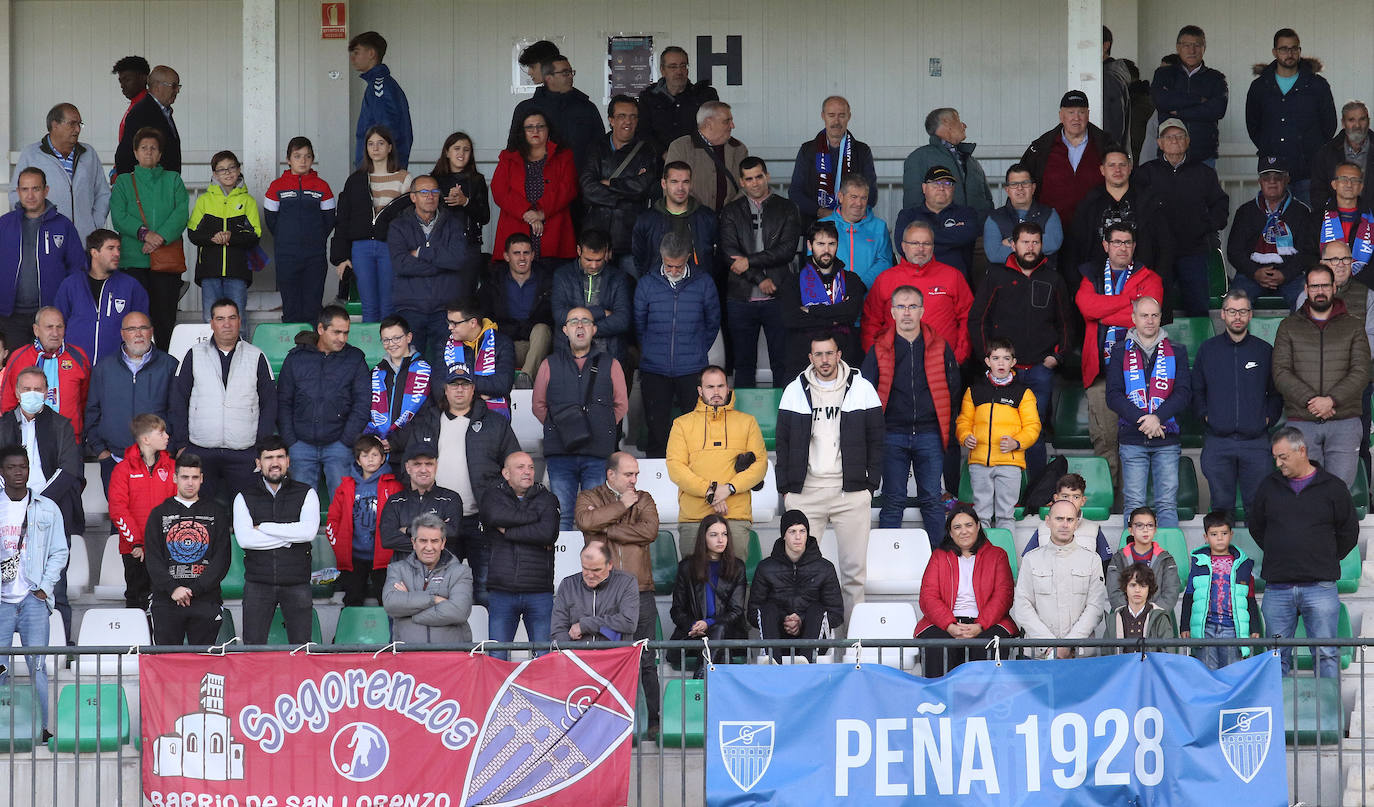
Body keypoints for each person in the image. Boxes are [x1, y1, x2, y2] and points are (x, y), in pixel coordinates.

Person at [776, 332, 884, 619]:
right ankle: (810, 645)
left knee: (854, 574)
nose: (824, 360)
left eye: (829, 353)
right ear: (810, 358)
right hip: (806, 493)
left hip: (850, 492)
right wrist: (786, 488)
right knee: (800, 571)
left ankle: (853, 644)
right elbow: (782, 442)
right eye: (818, 354)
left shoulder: (862, 388)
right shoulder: (794, 390)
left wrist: (869, 484)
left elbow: (876, 439)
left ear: (839, 355)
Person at [392, 365, 519, 604]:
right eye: (454, 385)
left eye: (465, 385)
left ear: (473, 389)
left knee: (485, 588)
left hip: (481, 518)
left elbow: (513, 466)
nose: (459, 390)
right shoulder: (425, 422)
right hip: (437, 521)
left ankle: (484, 643)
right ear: (445, 390)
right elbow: (406, 467)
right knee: (438, 590)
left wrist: (498, 507)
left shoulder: (495, 423)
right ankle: (446, 642)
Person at [1250, 426, 1358, 678]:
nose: (1278, 464)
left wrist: (1323, 557)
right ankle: (1280, 716)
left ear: (1302, 451)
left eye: (1283, 457)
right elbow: (1257, 527)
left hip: (1319, 585)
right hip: (1277, 587)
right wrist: (1282, 551)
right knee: (1275, 656)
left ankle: (1327, 717)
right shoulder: (1269, 486)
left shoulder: (1333, 487)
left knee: (1327, 654)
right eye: (1275, 458)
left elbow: (1349, 532)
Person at [968, 222, 1070, 476]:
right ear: (1013, 245)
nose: (1031, 247)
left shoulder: (1053, 278)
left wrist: (1057, 356)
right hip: (1001, 372)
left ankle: (1035, 491)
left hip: (1038, 370)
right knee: (998, 431)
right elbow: (977, 319)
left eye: (1035, 242)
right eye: (1025, 242)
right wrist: (988, 357)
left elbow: (1067, 323)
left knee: (1033, 432)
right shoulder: (996, 276)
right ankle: (1003, 494)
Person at [860, 286, 958, 534]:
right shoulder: (879, 348)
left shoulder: (939, 345)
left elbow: (953, 386)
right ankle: (887, 563)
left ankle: (942, 563)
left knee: (932, 500)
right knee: (893, 500)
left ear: (922, 311)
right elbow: (866, 393)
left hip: (929, 433)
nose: (907, 312)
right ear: (892, 312)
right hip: (891, 433)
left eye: (912, 306)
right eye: (901, 307)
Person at [1076, 221, 1165, 489]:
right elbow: (1087, 308)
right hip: (1101, 373)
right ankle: (1108, 510)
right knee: (1105, 442)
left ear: (1134, 246)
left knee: (1134, 446)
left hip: (1139, 376)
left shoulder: (1150, 278)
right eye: (1116, 242)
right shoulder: (1090, 275)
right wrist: (1129, 302)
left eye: (1127, 242)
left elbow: (1145, 318)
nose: (1122, 247)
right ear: (1105, 245)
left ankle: (1130, 513)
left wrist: (1107, 313)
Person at [574, 452, 660, 725]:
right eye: (628, 474)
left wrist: (608, 530)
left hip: (640, 589)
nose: (634, 480)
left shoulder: (644, 498)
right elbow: (586, 523)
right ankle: (608, 722)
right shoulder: (588, 497)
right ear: (611, 475)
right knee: (606, 658)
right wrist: (622, 506)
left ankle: (653, 721)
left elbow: (649, 531)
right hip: (603, 591)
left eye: (636, 474)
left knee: (646, 658)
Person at [167, 299, 276, 506]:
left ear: (239, 321)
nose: (227, 324)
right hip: (201, 449)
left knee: (247, 514)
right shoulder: (194, 354)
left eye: (232, 318)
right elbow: (178, 400)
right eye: (220, 319)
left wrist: (261, 447)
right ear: (212, 323)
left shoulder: (256, 356)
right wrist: (181, 443)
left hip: (244, 452)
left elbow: (270, 404)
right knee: (200, 515)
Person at [1271, 263, 1370, 486]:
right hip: (1302, 420)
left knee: (1340, 490)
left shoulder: (1354, 326)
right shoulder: (1288, 326)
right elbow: (1280, 372)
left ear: (1334, 287)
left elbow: (1362, 370)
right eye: (1314, 286)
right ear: (1306, 289)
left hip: (1344, 420)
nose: (1320, 291)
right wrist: (1312, 401)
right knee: (1305, 492)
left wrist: (1331, 401)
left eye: (1325, 285)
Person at [534, 307, 628, 528]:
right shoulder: (549, 363)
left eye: (585, 321)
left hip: (597, 454)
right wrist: (563, 429)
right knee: (563, 517)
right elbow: (539, 405)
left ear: (594, 329)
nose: (579, 325)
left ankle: (594, 563)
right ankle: (566, 564)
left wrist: (600, 426)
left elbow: (621, 405)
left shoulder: (611, 364)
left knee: (595, 518)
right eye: (573, 321)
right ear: (565, 330)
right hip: (560, 454)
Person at [1193, 289, 1283, 519]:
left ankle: (1260, 555)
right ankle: (1223, 556)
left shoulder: (1264, 350)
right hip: (1217, 441)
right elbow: (1197, 390)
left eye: (1243, 311)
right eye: (1232, 311)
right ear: (1222, 314)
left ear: (1250, 315)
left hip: (1256, 442)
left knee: (1259, 508)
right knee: (1221, 509)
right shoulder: (1208, 350)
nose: (1237, 317)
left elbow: (1276, 393)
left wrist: (1267, 418)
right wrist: (1206, 416)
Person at [0, 444, 68, 744]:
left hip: (32, 600)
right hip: (1, 600)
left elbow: (59, 552)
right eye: (12, 467)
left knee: (38, 666)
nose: (19, 472)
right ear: (2, 472)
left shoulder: (47, 507)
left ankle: (42, 729)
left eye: (23, 467)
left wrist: (44, 588)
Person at [1106, 296, 1192, 526]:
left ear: (1160, 318)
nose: (1150, 320)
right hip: (1133, 438)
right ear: (1134, 318)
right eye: (1144, 315)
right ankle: (1131, 562)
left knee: (1166, 504)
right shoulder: (1119, 351)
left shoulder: (1177, 350)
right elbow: (1113, 395)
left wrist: (1157, 418)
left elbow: (1183, 393)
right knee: (1133, 504)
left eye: (1154, 315)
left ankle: (1167, 560)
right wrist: (1144, 420)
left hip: (1167, 437)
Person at [1131, 118, 1230, 317]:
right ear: (1159, 143)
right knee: (1156, 308)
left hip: (1193, 250)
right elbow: (1136, 210)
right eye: (1168, 137)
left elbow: (1221, 206)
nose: (1174, 141)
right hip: (1157, 253)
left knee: (1198, 308)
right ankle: (1160, 349)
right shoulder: (1146, 173)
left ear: (1187, 141)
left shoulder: (1204, 173)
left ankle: (1198, 348)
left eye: (1179, 136)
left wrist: (1205, 225)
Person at [634, 232, 721, 458]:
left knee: (695, 431)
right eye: (669, 265)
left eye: (678, 266)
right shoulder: (647, 283)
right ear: (661, 257)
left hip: (692, 368)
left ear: (688, 258)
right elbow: (639, 324)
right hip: (654, 368)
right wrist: (651, 350)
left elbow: (712, 322)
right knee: (657, 431)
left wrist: (698, 349)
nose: (673, 271)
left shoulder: (704, 282)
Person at [717, 156, 802, 387]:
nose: (755, 183)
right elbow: (729, 253)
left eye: (759, 177)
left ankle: (784, 420)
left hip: (778, 296)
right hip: (740, 298)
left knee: (782, 363)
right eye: (749, 179)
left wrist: (750, 262)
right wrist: (760, 278)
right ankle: (743, 422)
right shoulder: (731, 211)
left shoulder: (787, 207)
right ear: (741, 182)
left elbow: (786, 250)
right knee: (743, 365)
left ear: (767, 177)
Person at [666, 366, 767, 556]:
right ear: (700, 390)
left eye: (720, 386)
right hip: (694, 516)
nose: (716, 392)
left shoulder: (747, 422)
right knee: (694, 581)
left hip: (735, 514)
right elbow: (675, 468)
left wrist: (728, 488)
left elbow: (760, 465)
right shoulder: (682, 424)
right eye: (710, 387)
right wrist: (711, 491)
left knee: (733, 580)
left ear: (728, 388)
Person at [277, 305, 371, 499]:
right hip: (300, 445)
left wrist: (347, 440)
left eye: (346, 333)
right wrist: (291, 441)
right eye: (337, 332)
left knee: (343, 507)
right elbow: (283, 401)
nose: (342, 339)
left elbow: (362, 403)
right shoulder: (296, 358)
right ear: (321, 329)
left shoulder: (354, 358)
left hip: (339, 444)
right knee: (300, 507)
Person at [233, 437, 321, 645]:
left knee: (301, 648)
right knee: (253, 647)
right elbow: (245, 540)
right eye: (268, 457)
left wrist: (263, 527)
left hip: (297, 582)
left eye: (280, 457)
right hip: (257, 583)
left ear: (288, 461)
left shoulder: (306, 493)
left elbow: (308, 533)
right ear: (258, 463)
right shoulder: (244, 496)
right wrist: (290, 537)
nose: (275, 462)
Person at [913, 504, 1016, 677]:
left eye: (969, 525)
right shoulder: (939, 556)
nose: (964, 531)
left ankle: (983, 703)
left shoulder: (997, 555)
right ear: (950, 532)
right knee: (939, 648)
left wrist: (980, 625)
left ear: (978, 526)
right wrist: (949, 625)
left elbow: (1003, 596)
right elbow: (928, 596)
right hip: (946, 622)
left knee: (987, 646)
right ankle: (940, 701)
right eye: (957, 527)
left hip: (986, 622)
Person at [109, 127, 188, 349]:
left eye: (154, 148)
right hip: (133, 261)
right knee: (135, 318)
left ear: (160, 154)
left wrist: (159, 237)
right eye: (144, 148)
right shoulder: (124, 182)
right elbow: (119, 216)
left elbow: (181, 212)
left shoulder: (173, 179)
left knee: (165, 318)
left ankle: (164, 362)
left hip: (165, 263)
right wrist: (146, 234)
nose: (149, 152)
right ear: (135, 153)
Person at [389, 174, 480, 363]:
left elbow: (457, 260)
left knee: (447, 366)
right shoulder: (398, 226)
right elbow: (401, 264)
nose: (430, 196)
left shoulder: (453, 224)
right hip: (410, 306)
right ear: (413, 197)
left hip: (445, 309)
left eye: (434, 192)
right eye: (424, 192)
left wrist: (422, 253)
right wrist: (441, 265)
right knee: (411, 367)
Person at [144, 452, 232, 646]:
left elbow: (222, 559)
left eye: (194, 477)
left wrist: (194, 590)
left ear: (202, 479)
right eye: (185, 477)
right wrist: (173, 588)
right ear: (175, 478)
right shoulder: (158, 514)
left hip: (205, 601)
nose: (190, 483)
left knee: (203, 665)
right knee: (167, 666)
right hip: (166, 601)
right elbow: (152, 559)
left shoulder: (216, 513)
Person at [480, 451, 559, 660]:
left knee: (544, 657)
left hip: (539, 591)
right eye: (521, 467)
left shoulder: (547, 498)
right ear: (506, 473)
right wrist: (533, 518)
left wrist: (509, 531)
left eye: (531, 467)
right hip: (502, 591)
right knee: (497, 656)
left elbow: (547, 533)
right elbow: (495, 516)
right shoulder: (492, 496)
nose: (528, 472)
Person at [84, 311, 175, 491]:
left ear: (152, 331)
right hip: (115, 461)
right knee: (119, 518)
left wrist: (170, 451)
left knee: (157, 518)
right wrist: (102, 452)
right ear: (122, 334)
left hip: (158, 461)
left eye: (143, 328)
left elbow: (177, 412)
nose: (138, 334)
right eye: (132, 329)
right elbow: (92, 411)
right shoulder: (104, 368)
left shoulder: (170, 365)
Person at [956, 337, 1041, 527]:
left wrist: (1017, 442)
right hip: (979, 462)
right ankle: (983, 555)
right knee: (981, 515)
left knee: (1005, 515)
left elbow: (1033, 426)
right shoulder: (974, 390)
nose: (1000, 363)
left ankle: (1006, 555)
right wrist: (964, 436)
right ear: (987, 361)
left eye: (1006, 358)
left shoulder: (1023, 392)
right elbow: (963, 420)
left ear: (1013, 362)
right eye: (995, 358)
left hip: (1009, 462)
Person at [331, 125, 412, 323]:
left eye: (381, 143)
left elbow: (410, 219)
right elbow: (343, 219)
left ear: (390, 147)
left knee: (389, 305)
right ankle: (371, 353)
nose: (375, 148)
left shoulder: (404, 178)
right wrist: (341, 257)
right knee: (368, 306)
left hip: (390, 247)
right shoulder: (356, 180)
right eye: (370, 144)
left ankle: (390, 351)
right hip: (361, 248)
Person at [1245, 28, 1335, 205]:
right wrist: (1269, 145)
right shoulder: (1260, 86)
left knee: (1310, 227)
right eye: (1284, 49)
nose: (1289, 53)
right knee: (1275, 228)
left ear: (1300, 51)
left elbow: (1329, 125)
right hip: (1272, 172)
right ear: (1275, 52)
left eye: (1294, 48)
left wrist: (1310, 150)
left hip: (1308, 171)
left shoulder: (1317, 85)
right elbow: (1253, 126)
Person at [861, 221, 973, 362]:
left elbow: (968, 317)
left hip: (942, 363)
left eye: (926, 244)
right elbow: (871, 322)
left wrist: (959, 356)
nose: (921, 249)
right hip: (894, 366)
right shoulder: (885, 278)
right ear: (903, 246)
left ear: (933, 247)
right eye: (914, 243)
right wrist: (877, 358)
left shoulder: (952, 276)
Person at [0, 168, 85, 351]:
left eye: (36, 189)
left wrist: (67, 308)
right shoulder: (4, 225)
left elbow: (77, 269)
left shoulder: (63, 226)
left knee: (51, 371)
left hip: (51, 317)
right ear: (18, 191)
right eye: (25, 189)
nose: (30, 195)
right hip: (10, 317)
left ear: (46, 190)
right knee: (18, 371)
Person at [1011, 500, 1109, 659]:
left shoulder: (1092, 559)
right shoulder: (1031, 559)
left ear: (1076, 523)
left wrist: (1068, 644)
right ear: (1048, 521)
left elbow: (1095, 608)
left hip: (1080, 655)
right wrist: (1049, 645)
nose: (1065, 524)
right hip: (1038, 654)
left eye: (1070, 519)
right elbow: (1023, 606)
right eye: (1059, 519)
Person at [746, 510, 843, 662]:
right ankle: (773, 663)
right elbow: (753, 613)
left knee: (817, 609)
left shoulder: (825, 568)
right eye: (792, 531)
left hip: (814, 639)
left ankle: (805, 661)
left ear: (807, 534)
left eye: (802, 531)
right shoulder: (766, 567)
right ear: (784, 535)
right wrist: (785, 620)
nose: (798, 537)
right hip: (776, 637)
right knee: (768, 608)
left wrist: (801, 620)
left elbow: (836, 614)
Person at [580, 96, 659, 275]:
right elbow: (588, 189)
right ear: (611, 120)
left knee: (632, 292)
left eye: (633, 116)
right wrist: (626, 191)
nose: (628, 121)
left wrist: (609, 183)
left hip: (630, 238)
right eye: (622, 116)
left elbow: (642, 188)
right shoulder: (596, 148)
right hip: (596, 237)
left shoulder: (647, 149)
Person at [1226, 155, 1318, 308]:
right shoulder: (1245, 211)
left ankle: (1297, 333)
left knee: (1307, 303)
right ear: (1260, 181)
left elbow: (1308, 252)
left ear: (1287, 179)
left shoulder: (1301, 211)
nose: (1272, 182)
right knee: (1233, 304)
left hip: (1291, 276)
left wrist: (1285, 274)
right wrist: (1255, 272)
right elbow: (1234, 251)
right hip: (1250, 275)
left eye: (1278, 177)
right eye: (1266, 177)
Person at [779, 221, 867, 379]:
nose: (826, 250)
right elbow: (790, 318)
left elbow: (850, 313)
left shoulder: (851, 280)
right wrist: (834, 318)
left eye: (831, 244)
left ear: (837, 245)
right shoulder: (793, 281)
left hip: (844, 358)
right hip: (802, 360)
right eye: (820, 244)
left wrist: (811, 310)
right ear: (809, 245)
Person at [10, 103, 110, 240]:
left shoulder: (89, 154)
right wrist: (33, 226)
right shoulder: (32, 154)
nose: (77, 129)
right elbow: (15, 195)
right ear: (55, 125)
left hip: (83, 240)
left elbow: (103, 193)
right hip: (45, 241)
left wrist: (94, 225)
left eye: (80, 124)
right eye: (72, 124)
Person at [264, 136, 336, 325]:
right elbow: (271, 221)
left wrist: (315, 238)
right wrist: (286, 237)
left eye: (307, 156)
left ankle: (313, 350)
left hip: (315, 255)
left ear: (312, 159)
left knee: (313, 306)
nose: (303, 161)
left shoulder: (323, 187)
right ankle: (293, 352)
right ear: (288, 160)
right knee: (291, 305)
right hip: (286, 255)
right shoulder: (276, 187)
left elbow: (329, 221)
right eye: (297, 156)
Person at [108, 413, 175, 611]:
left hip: (166, 549)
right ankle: (135, 641)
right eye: (161, 432)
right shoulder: (122, 470)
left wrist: (164, 542)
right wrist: (136, 542)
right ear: (146, 439)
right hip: (134, 550)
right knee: (137, 598)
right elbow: (118, 509)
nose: (167, 436)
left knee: (165, 600)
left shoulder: (172, 467)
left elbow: (176, 506)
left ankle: (160, 642)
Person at [1070, 147, 1173, 277]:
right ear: (1102, 170)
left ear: (1130, 168)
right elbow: (1074, 246)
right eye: (1111, 165)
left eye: (1122, 165)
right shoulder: (1090, 204)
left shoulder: (1148, 202)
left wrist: (1158, 279)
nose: (1117, 170)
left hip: (1142, 278)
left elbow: (1165, 245)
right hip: (1098, 279)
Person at [326, 435, 402, 607]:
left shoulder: (393, 486)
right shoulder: (346, 487)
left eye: (375, 455)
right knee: (352, 599)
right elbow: (333, 518)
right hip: (354, 557)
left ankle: (391, 634)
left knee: (387, 600)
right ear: (358, 461)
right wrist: (339, 544)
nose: (370, 459)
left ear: (383, 458)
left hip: (384, 557)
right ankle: (348, 633)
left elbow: (400, 517)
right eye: (365, 455)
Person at [493, 111, 577, 265]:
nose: (535, 131)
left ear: (548, 129)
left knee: (551, 281)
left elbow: (568, 189)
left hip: (554, 227)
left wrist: (541, 213)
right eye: (529, 127)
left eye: (540, 126)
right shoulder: (508, 157)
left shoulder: (564, 156)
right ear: (522, 131)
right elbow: (499, 190)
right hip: (516, 226)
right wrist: (527, 214)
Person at [1180, 510, 1262, 670]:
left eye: (1224, 533)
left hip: (1232, 628)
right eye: (1214, 534)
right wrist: (1185, 625)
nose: (1219, 538)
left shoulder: (1243, 565)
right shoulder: (1198, 564)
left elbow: (1250, 598)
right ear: (1205, 537)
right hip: (1206, 628)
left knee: (1231, 673)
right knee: (1208, 673)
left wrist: (1255, 626)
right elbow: (1189, 595)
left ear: (1231, 534)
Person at [186, 151, 262, 322]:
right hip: (209, 272)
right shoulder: (204, 201)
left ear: (239, 169)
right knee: (210, 321)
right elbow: (193, 233)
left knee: (237, 320)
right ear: (214, 174)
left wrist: (230, 237)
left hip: (238, 272)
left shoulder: (248, 201)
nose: (227, 173)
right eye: (221, 169)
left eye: (231, 167)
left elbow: (255, 234)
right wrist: (213, 237)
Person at [55, 227, 148, 366]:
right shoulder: (71, 284)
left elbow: (142, 327)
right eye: (110, 248)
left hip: (116, 370)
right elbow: (58, 324)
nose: (117, 253)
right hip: (74, 367)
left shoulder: (131, 286)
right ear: (94, 252)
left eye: (118, 248)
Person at [1019, 90, 1109, 230]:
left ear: (1088, 115)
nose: (1076, 118)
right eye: (1070, 112)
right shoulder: (1041, 148)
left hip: (1095, 231)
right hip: (1049, 231)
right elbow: (1021, 184)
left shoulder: (1106, 145)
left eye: (1081, 112)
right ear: (1061, 116)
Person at [669, 513, 748, 667]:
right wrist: (694, 626)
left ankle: (701, 677)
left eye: (724, 534)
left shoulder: (737, 567)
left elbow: (736, 611)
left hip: (727, 633)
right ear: (703, 538)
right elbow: (677, 610)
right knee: (719, 650)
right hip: (693, 635)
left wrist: (709, 623)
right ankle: (705, 680)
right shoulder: (687, 567)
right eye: (714, 535)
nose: (720, 539)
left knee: (719, 630)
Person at [382, 512, 474, 644]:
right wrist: (434, 599)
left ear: (443, 543)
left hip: (451, 657)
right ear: (414, 543)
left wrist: (411, 609)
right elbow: (391, 604)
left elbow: (459, 611)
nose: (429, 547)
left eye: (435, 541)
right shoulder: (397, 569)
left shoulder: (460, 571)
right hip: (407, 656)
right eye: (423, 541)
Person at [0, 307, 91, 440]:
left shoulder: (78, 356)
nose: (55, 333)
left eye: (59, 327)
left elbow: (85, 400)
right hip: (28, 438)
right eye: (49, 327)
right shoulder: (19, 357)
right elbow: (7, 402)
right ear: (36, 330)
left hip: (69, 439)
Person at [510, 54, 604, 173]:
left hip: (580, 184)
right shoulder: (526, 109)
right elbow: (513, 151)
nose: (571, 76)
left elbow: (600, 149)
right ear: (549, 78)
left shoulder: (587, 108)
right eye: (565, 73)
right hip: (537, 184)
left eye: (571, 72)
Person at [789, 96, 878, 220]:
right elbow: (795, 192)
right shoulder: (808, 150)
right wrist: (821, 212)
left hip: (852, 224)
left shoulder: (862, 151)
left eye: (841, 115)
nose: (836, 121)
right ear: (823, 116)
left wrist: (846, 214)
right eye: (831, 115)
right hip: (815, 223)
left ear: (849, 116)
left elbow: (871, 193)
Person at [481, 235, 554, 387]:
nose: (522, 258)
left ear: (533, 255)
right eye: (516, 253)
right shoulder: (494, 281)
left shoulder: (547, 280)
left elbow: (553, 318)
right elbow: (484, 316)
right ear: (506, 256)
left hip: (537, 346)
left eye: (526, 253)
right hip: (505, 346)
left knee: (542, 329)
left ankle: (525, 379)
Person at [1149, 26, 1228, 165]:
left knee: (1204, 187)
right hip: (1169, 154)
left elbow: (1217, 110)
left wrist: (1178, 111)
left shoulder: (1216, 78)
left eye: (1197, 45)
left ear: (1204, 48)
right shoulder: (1164, 74)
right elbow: (1161, 101)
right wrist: (1198, 99)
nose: (1192, 51)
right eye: (1186, 45)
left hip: (1204, 154)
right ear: (1178, 47)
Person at [551, 229, 634, 363]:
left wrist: (581, 330)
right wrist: (600, 312)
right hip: (568, 354)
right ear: (579, 251)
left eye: (599, 260)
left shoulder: (618, 278)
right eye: (588, 260)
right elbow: (559, 315)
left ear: (606, 252)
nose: (594, 265)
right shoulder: (562, 275)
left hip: (608, 353)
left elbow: (622, 320)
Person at [901, 107, 995, 218]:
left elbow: (987, 201)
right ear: (946, 122)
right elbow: (913, 205)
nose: (964, 126)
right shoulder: (919, 158)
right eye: (959, 120)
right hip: (939, 234)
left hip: (977, 233)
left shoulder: (971, 161)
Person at [631, 161, 717, 280]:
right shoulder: (647, 219)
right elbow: (639, 258)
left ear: (691, 184)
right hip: (658, 287)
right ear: (663, 183)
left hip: (697, 288)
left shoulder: (707, 217)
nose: (680, 188)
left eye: (685, 182)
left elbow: (717, 259)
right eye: (674, 182)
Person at [376, 444, 462, 562]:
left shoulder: (450, 498)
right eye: (417, 464)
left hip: (441, 574)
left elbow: (452, 533)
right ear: (407, 467)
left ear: (436, 466)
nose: (423, 470)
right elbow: (387, 539)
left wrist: (407, 530)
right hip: (403, 575)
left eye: (429, 464)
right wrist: (435, 536)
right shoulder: (395, 501)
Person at [893, 166, 981, 277]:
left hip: (955, 282)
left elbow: (968, 236)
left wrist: (919, 240)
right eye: (935, 183)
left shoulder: (967, 213)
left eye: (947, 184)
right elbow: (902, 247)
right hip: (916, 281)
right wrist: (952, 236)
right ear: (924, 188)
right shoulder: (907, 215)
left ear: (953, 189)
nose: (941, 188)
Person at [363, 315, 431, 456]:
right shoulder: (376, 373)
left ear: (409, 337)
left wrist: (396, 441)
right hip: (378, 450)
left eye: (397, 338)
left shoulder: (424, 371)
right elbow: (363, 408)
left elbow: (427, 415)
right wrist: (372, 440)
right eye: (386, 340)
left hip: (412, 451)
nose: (392, 344)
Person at [551, 540, 639, 646]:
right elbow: (558, 630)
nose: (590, 575)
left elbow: (628, 622)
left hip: (614, 657)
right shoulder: (568, 585)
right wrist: (571, 655)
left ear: (610, 564)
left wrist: (585, 625)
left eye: (596, 570)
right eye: (585, 568)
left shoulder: (626, 582)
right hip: (577, 657)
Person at [664, 101, 747, 212]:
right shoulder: (681, 147)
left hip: (730, 221)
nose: (733, 126)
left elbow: (747, 185)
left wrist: (730, 212)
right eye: (727, 121)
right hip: (693, 220)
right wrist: (699, 215)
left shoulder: (738, 148)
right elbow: (671, 188)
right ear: (709, 123)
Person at [637, 46, 719, 154]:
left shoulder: (704, 96)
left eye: (683, 66)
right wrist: (664, 154)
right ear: (663, 70)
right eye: (672, 67)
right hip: (660, 164)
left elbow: (715, 129)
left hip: (697, 160)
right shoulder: (648, 97)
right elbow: (643, 133)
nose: (679, 71)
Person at [349, 31, 412, 169]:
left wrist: (378, 169)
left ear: (371, 53)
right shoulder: (381, 84)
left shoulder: (379, 86)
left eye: (356, 52)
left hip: (380, 172)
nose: (352, 58)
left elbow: (385, 131)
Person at [442, 300, 515, 418]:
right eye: (448, 322)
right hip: (454, 417)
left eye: (455, 323)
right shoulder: (444, 344)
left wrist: (459, 382)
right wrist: (482, 393)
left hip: (493, 420)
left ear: (473, 323)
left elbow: (502, 385)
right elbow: (438, 385)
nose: (450, 327)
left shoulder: (502, 343)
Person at [983, 163, 1064, 269]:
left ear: (1033, 188)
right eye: (1014, 184)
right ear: (1007, 190)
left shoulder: (1049, 214)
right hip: (1006, 281)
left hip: (1042, 279)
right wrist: (1035, 244)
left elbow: (1052, 244)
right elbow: (995, 254)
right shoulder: (994, 218)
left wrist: (1012, 241)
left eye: (1025, 183)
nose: (1020, 188)